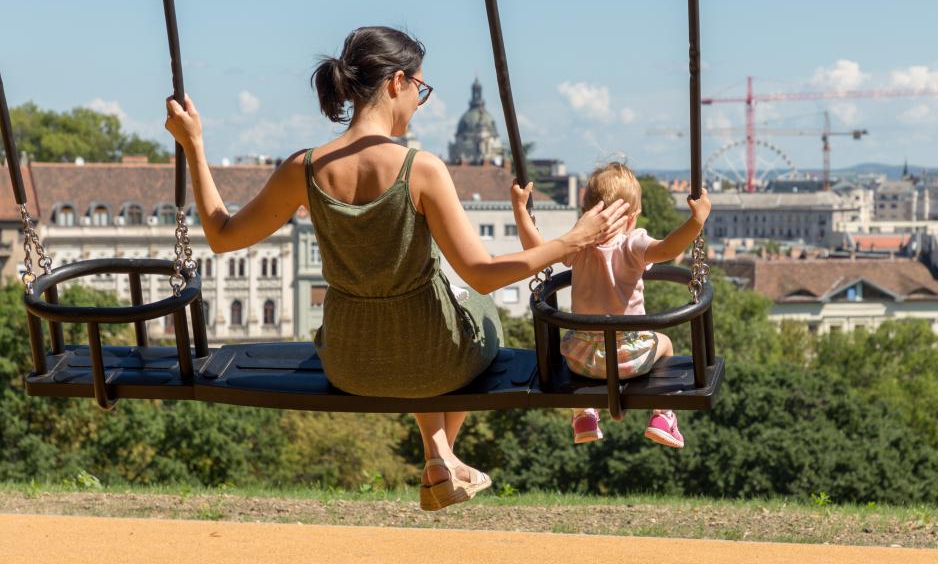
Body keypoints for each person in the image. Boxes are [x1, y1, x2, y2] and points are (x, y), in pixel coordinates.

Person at [163, 26, 630, 511]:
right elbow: (483, 274)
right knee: (477, 307)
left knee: (418, 322)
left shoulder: (303, 169)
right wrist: (571, 241)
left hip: (349, 363)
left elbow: (220, 235)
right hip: (437, 362)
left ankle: (440, 458)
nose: (419, 102)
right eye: (421, 90)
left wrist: (194, 144)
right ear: (396, 83)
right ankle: (439, 453)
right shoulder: (420, 168)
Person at [510, 161, 710, 448]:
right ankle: (663, 416)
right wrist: (696, 222)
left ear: (586, 214)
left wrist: (520, 210)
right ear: (632, 218)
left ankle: (583, 416)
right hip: (632, 359)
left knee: (571, 338)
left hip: (582, 359)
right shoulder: (634, 244)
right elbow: (668, 248)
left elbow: (537, 251)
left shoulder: (576, 246)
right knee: (664, 341)